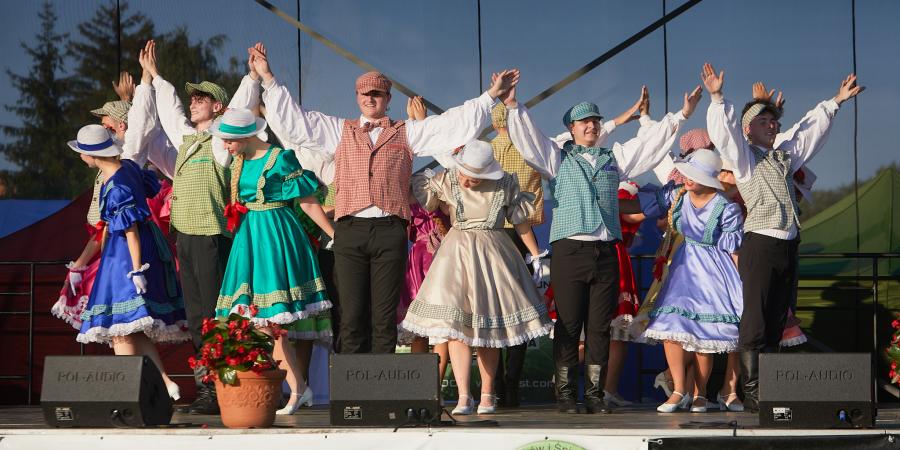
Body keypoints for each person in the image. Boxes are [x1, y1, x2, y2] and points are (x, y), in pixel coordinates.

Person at [252, 43, 518, 354]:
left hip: (390, 229)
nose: (370, 98)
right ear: (357, 97)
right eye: (365, 94)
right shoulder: (339, 130)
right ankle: (353, 383)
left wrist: (491, 96)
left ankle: (383, 381)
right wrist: (268, 78)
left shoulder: (408, 131)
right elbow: (297, 122)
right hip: (350, 229)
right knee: (351, 315)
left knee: (384, 315)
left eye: (377, 94)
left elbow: (451, 125)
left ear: (388, 99)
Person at [506, 80, 698, 413]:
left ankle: (595, 395)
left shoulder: (613, 158)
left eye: (595, 120)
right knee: (569, 325)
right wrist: (513, 108)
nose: (592, 125)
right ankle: (566, 395)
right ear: (572, 128)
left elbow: (647, 146)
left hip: (606, 251)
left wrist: (680, 115)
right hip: (570, 250)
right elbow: (530, 139)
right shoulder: (557, 158)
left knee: (599, 327)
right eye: (585, 121)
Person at [702, 63, 864, 412]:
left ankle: (770, 388)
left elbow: (807, 132)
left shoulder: (783, 157)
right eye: (763, 121)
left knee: (777, 318)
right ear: (748, 129)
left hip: (788, 244)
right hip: (760, 244)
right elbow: (726, 135)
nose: (772, 125)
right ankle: (752, 392)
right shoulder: (745, 159)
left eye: (774, 121)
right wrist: (717, 98)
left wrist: (835, 101)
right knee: (756, 319)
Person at [139, 39, 263, 414]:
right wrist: (154, 78)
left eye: (201, 99)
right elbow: (171, 112)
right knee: (195, 317)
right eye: (192, 98)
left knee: (213, 312)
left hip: (212, 236)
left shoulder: (221, 143)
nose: (193, 103)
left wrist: (252, 78)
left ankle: (223, 387)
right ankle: (207, 386)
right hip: (187, 238)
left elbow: (238, 107)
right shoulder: (188, 141)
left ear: (218, 108)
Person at [400, 140, 552, 415]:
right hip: (455, 255)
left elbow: (519, 221)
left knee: (487, 328)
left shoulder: (504, 184)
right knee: (456, 328)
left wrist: (536, 254)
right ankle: (463, 396)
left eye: (475, 177)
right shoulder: (447, 179)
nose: (467, 180)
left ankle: (487, 394)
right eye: (466, 173)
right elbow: (417, 194)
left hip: (492, 254)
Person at [211, 108, 334, 415]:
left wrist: (333, 232)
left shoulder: (280, 158)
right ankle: (294, 387)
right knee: (259, 323)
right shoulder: (238, 162)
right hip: (249, 238)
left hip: (275, 236)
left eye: (229, 141)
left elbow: (306, 201)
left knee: (271, 321)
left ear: (246, 136)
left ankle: (296, 388)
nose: (226, 146)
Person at [67, 124, 188, 400]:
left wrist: (136, 269)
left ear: (92, 155)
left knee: (118, 326)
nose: (81, 156)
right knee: (131, 327)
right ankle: (166, 383)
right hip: (138, 245)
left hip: (126, 253)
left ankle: (129, 392)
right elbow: (146, 193)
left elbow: (129, 230)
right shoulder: (129, 168)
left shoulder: (117, 187)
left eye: (82, 152)